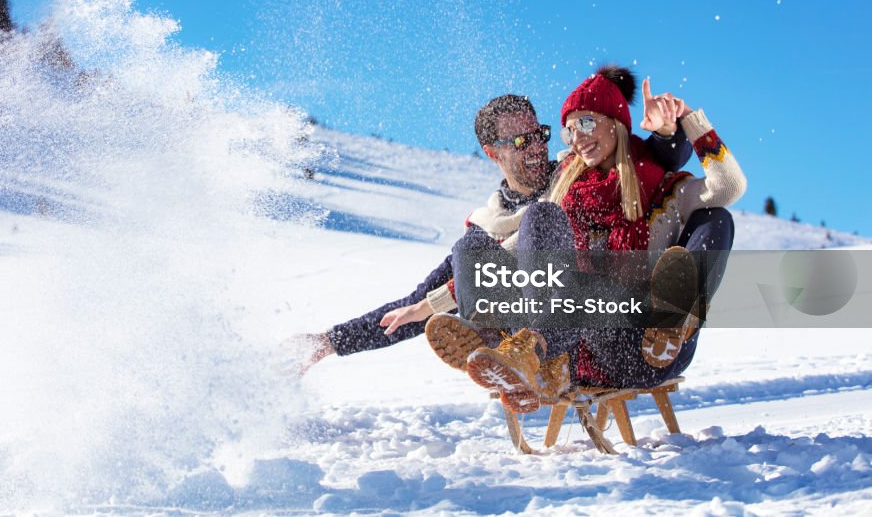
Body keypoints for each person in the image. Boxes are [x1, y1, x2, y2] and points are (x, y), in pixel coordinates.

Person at [285, 91, 698, 376]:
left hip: (608, 331)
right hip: (539, 350)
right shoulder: (489, 223)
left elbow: (649, 166)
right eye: (520, 141)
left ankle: (517, 345)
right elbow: (415, 306)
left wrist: (668, 132)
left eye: (538, 135)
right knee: (472, 255)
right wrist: (329, 342)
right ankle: (500, 343)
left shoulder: (581, 173)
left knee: (541, 228)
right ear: (492, 152)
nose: (535, 148)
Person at [452, 66, 745, 411]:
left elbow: (729, 186)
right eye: (569, 131)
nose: (577, 138)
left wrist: (690, 121)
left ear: (616, 122)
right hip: (573, 352)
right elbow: (518, 249)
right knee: (485, 243)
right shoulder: (567, 192)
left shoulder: (662, 191)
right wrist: (438, 301)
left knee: (716, 218)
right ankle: (513, 348)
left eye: (587, 123)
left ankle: (673, 319)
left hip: (643, 349)